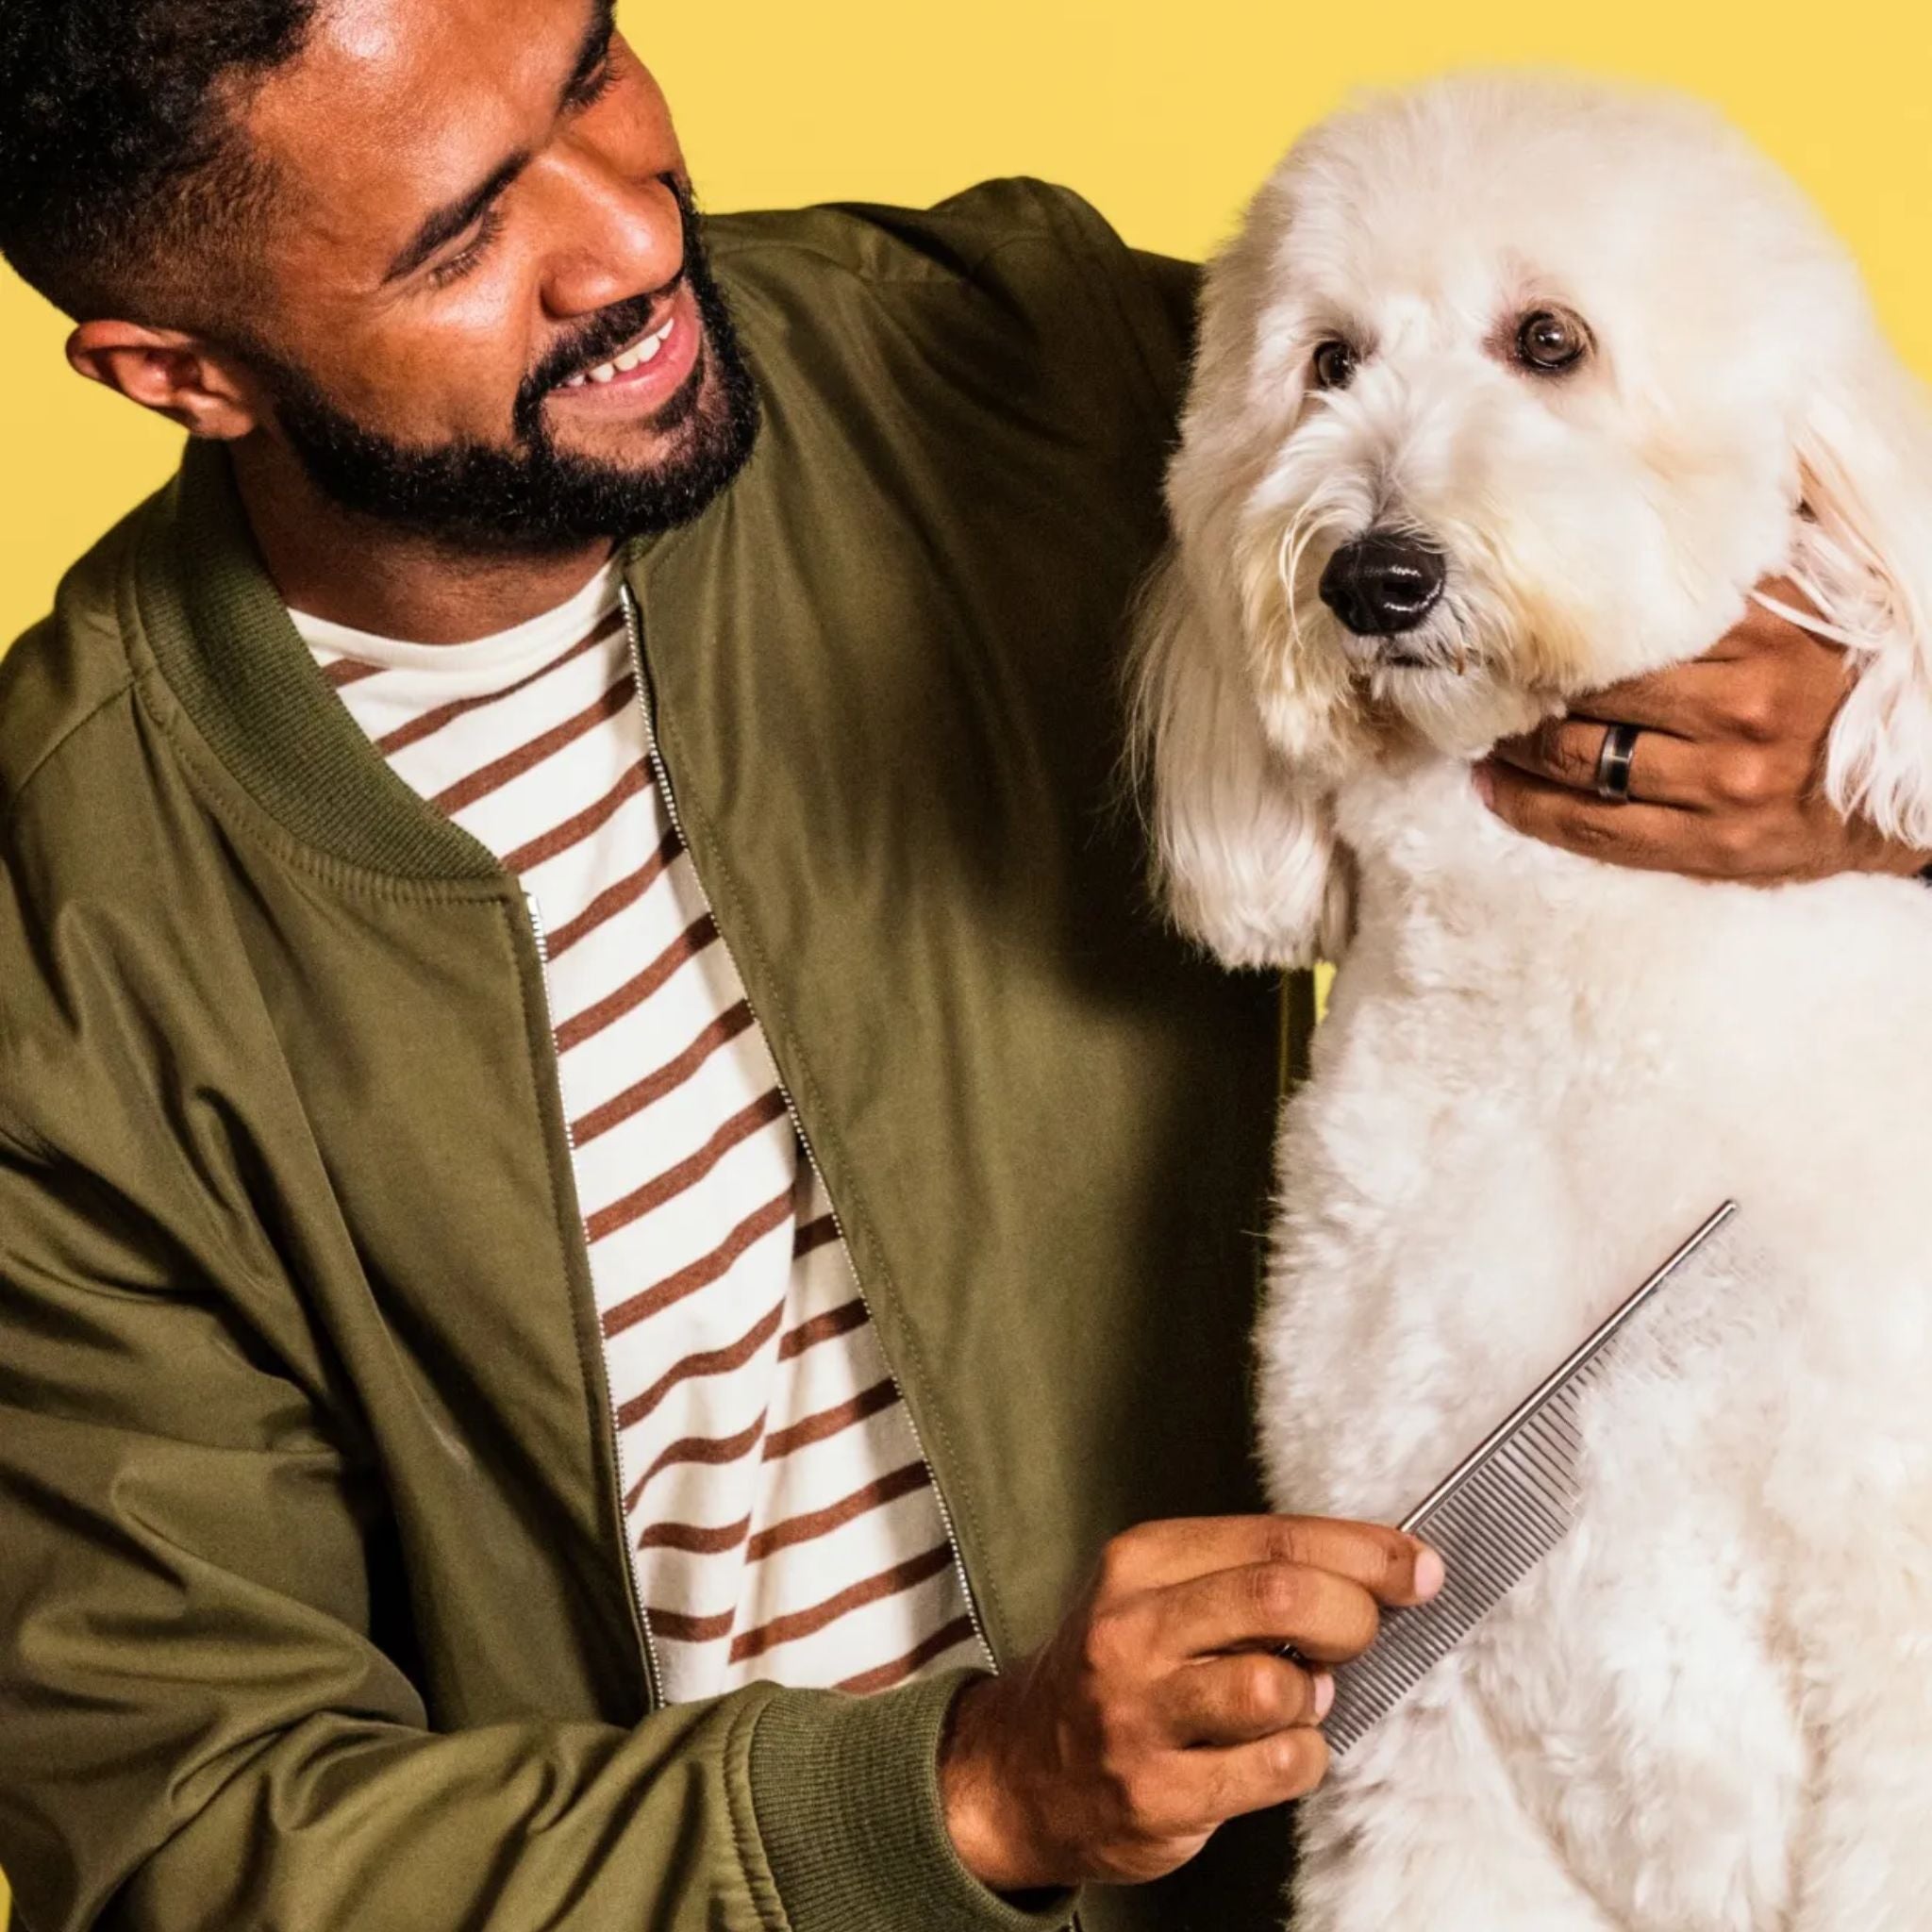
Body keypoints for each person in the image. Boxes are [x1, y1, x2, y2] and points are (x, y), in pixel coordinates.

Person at [0, 5, 1923, 1929]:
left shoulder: (1008, 366)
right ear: (183, 368)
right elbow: (178, 1829)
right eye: (464, 235)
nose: (632, 238)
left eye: (588, 69)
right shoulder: (70, 932)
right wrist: (963, 1796)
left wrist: (1881, 756)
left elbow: (1643, 452)